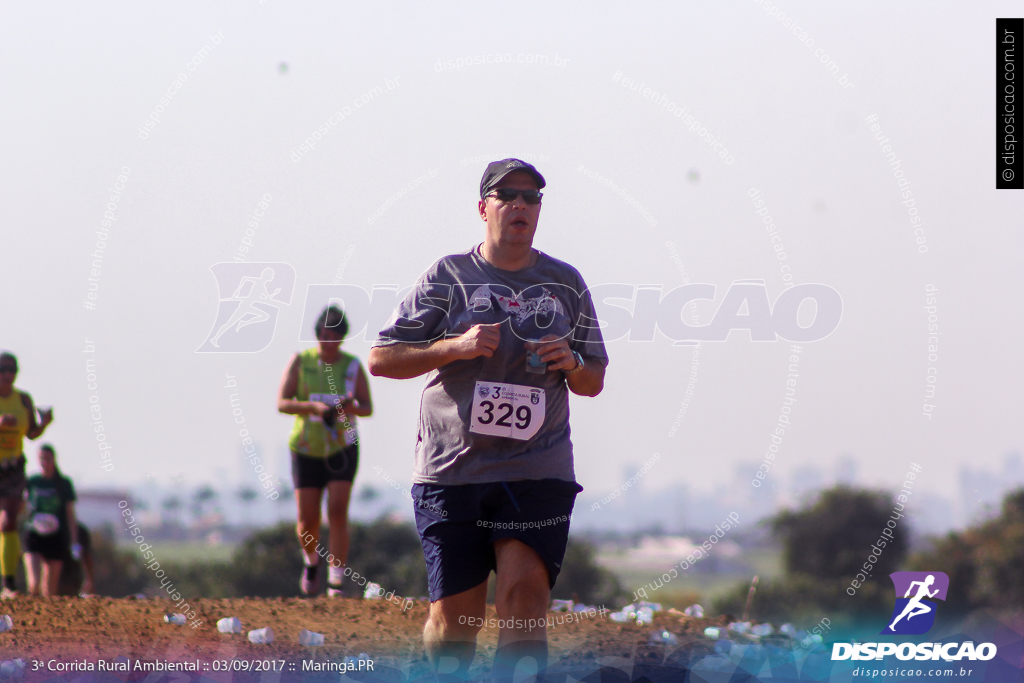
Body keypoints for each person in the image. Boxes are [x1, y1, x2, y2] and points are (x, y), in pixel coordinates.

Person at [368, 159, 608, 681]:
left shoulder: (565, 283)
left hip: (536, 468)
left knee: (524, 599)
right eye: (508, 196)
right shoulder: (448, 276)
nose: (521, 205)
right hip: (454, 469)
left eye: (532, 197)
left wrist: (570, 362)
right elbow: (382, 359)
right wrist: (455, 346)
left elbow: (594, 379)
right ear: (484, 208)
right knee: (456, 623)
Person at [278, 305, 373, 596]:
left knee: (337, 511)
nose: (328, 344)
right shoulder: (301, 361)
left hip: (341, 447)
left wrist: (347, 407)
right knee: (308, 518)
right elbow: (283, 402)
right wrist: (313, 407)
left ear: (342, 338)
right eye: (323, 337)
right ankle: (310, 562)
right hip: (306, 447)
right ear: (317, 335)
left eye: (334, 338)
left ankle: (336, 579)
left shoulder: (352, 365)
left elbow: (366, 408)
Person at [0, 352, 52, 596]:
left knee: (8, 521)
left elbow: (31, 434)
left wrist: (44, 424)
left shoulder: (23, 400)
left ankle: (9, 584)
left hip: (13, 468)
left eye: (12, 369)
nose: (8, 374)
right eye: (3, 369)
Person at [23, 444, 79, 597]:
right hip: (34, 534)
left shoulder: (64, 483)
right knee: (34, 585)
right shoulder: (32, 481)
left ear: (54, 459)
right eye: (41, 459)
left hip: (55, 536)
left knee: (49, 590)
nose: (45, 462)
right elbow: (22, 505)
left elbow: (70, 514)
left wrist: (74, 542)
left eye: (47, 459)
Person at [57, 522, 94, 597]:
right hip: (68, 580)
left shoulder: (80, 531)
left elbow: (86, 556)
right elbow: (87, 557)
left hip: (71, 580)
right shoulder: (79, 530)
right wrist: (90, 579)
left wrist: (89, 580)